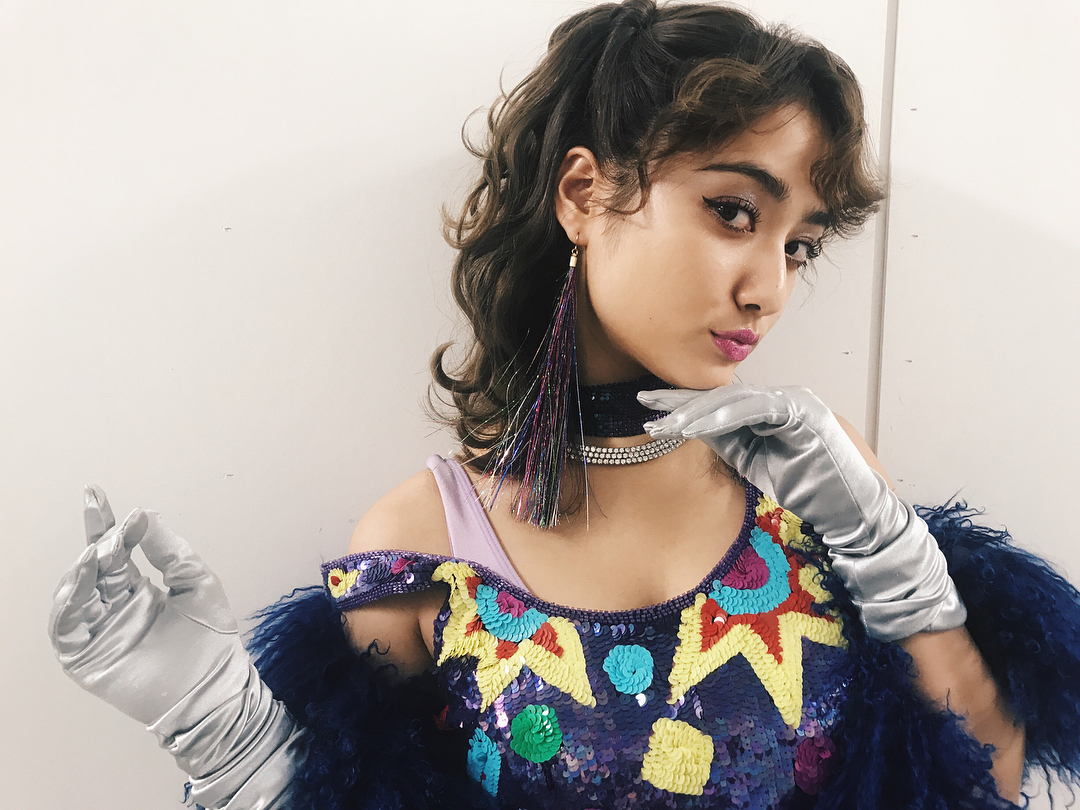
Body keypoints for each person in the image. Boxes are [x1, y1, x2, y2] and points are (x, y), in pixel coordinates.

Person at [47, 2, 1080, 808]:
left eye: (799, 246)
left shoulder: (821, 489)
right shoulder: (425, 540)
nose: (769, 287)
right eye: (733, 211)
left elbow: (983, 781)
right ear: (584, 194)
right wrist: (215, 723)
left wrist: (894, 559)